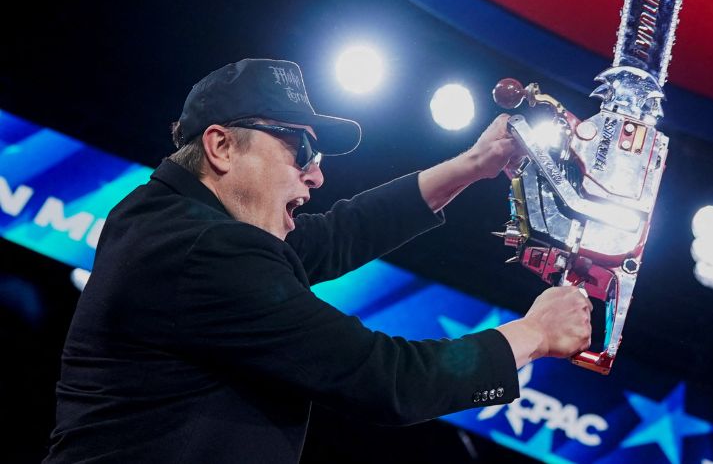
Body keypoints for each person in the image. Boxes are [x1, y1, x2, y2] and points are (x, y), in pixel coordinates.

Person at [44, 58, 591, 463]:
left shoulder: (163, 220)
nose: (317, 175)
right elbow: (390, 380)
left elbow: (337, 235)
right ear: (222, 147)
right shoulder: (204, 251)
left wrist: (474, 163)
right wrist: (535, 333)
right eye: (300, 151)